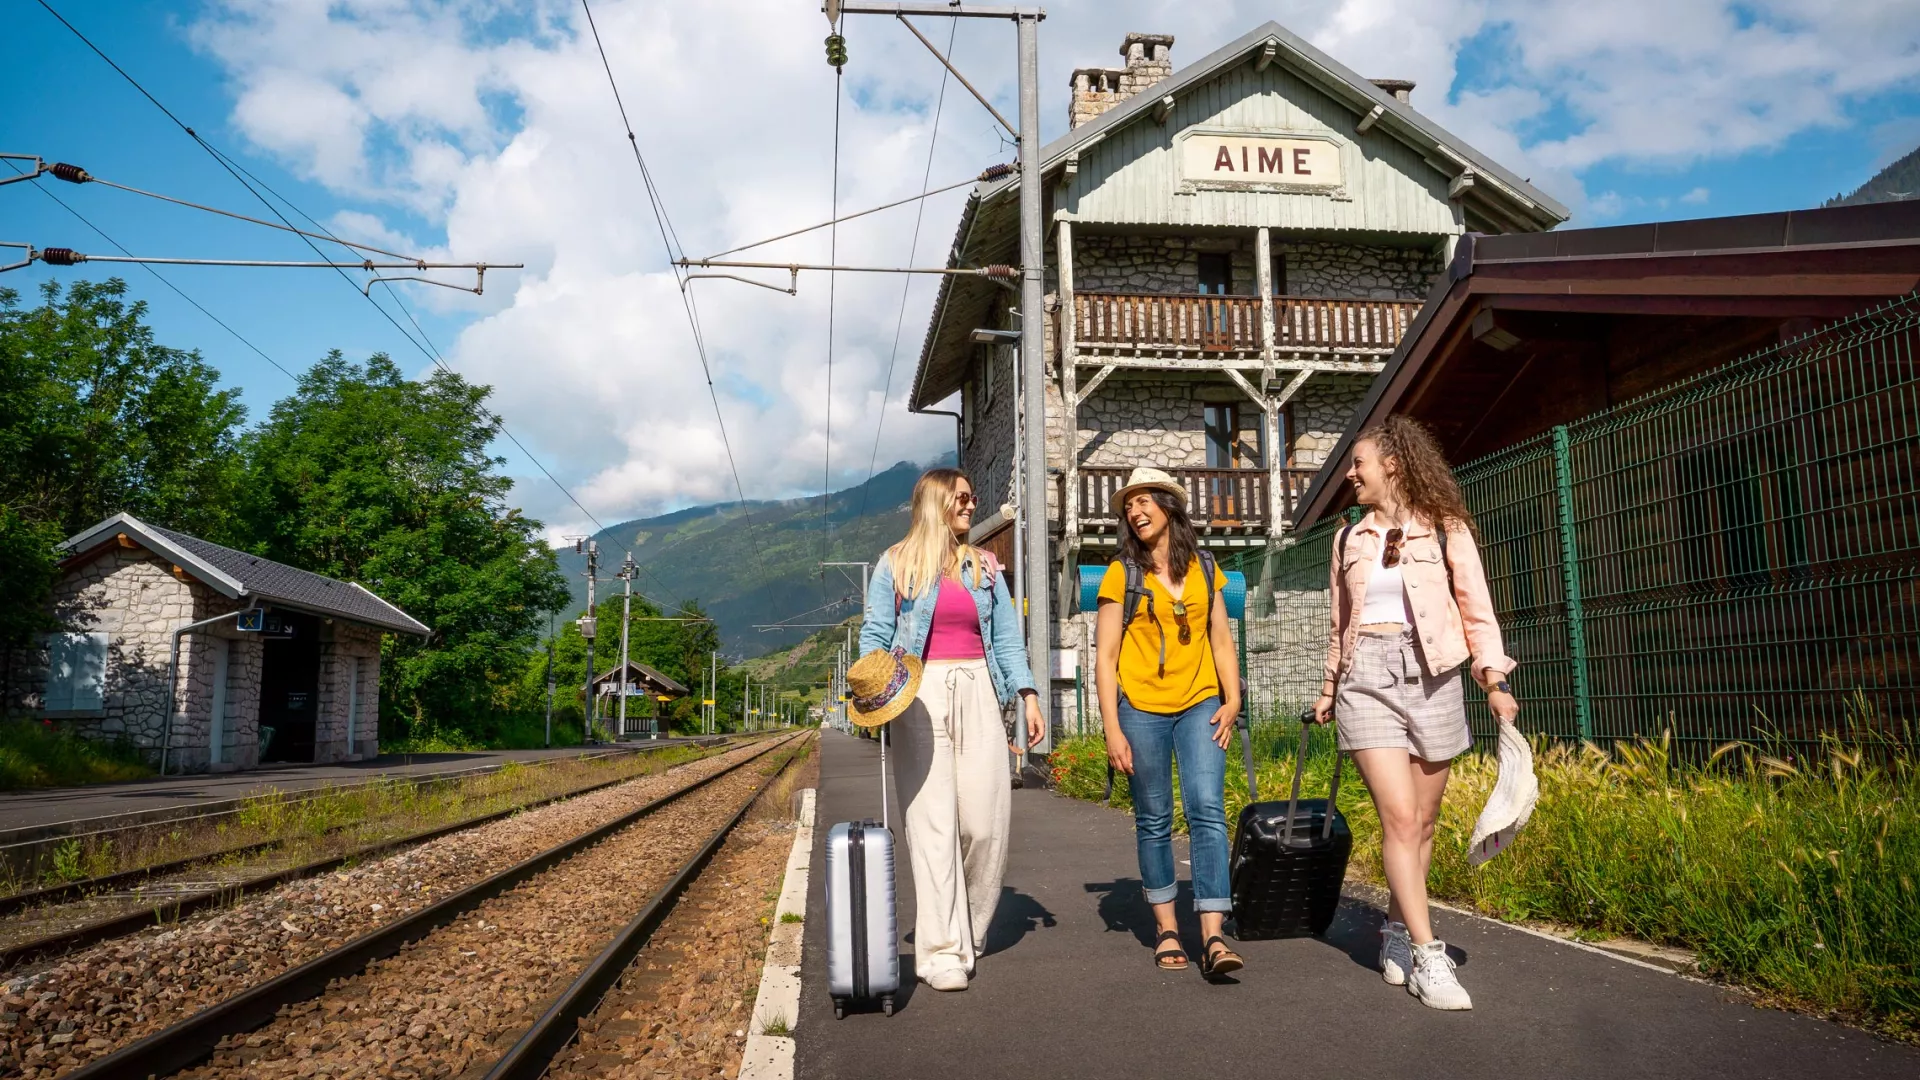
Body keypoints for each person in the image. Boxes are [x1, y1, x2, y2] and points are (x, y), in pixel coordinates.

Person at [1311, 415, 1519, 1011]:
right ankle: (1431, 957)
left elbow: (1475, 608)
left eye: (1358, 464)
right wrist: (1328, 689)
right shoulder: (1348, 539)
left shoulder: (1446, 528)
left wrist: (1494, 680)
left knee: (1424, 823)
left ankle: (1397, 934)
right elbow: (1337, 623)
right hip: (1365, 678)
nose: (1350, 474)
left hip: (1435, 676)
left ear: (1392, 465)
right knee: (1400, 818)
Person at [858, 467, 1044, 992]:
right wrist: (874, 689)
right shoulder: (896, 563)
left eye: (971, 497)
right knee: (933, 826)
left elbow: (1006, 639)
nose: (970, 505)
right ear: (938, 502)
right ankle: (940, 950)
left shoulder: (984, 567)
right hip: (917, 693)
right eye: (962, 498)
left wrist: (1026, 693)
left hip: (980, 689)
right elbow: (876, 631)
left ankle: (968, 928)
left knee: (985, 825)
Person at [1095, 466, 1245, 980]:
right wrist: (1112, 727)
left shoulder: (1205, 566)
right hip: (1140, 709)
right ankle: (1166, 929)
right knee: (1155, 817)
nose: (1135, 512)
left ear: (1168, 506)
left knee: (1206, 808)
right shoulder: (1121, 573)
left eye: (1143, 502)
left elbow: (1221, 639)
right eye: (1128, 506)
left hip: (1202, 700)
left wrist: (1233, 698)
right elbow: (1106, 657)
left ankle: (1213, 933)